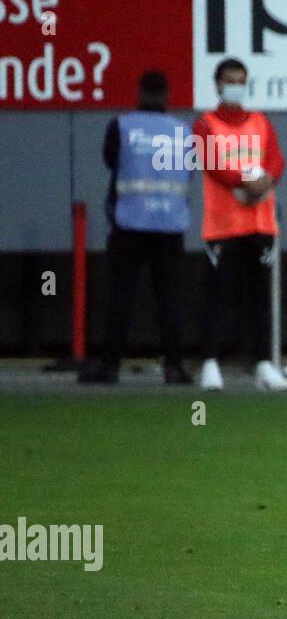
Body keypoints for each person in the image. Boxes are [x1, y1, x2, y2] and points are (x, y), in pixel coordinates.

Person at [79, 71, 193, 386]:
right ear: (168, 94)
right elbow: (188, 173)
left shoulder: (122, 126)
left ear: (139, 92)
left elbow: (110, 162)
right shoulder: (183, 131)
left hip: (129, 223)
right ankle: (174, 368)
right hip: (170, 225)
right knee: (169, 300)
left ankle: (110, 367)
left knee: (120, 298)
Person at [193, 58, 287, 392]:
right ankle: (210, 364)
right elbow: (212, 164)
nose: (236, 85)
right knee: (218, 296)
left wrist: (265, 181)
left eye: (241, 79)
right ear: (218, 85)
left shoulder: (261, 121)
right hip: (223, 225)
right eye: (230, 80)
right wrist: (251, 179)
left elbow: (276, 160)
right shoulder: (205, 124)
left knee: (259, 297)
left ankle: (263, 365)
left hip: (260, 222)